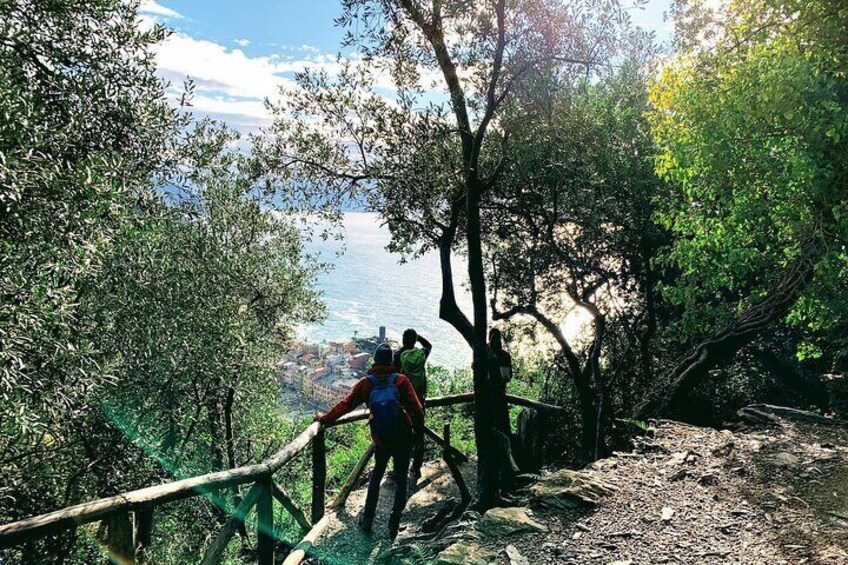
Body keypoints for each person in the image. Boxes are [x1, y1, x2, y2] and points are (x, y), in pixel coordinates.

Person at [315, 342, 423, 540]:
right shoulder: (401, 380)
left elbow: (346, 405)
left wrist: (324, 419)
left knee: (376, 477)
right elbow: (417, 408)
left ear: (375, 360)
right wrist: (416, 432)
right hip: (403, 437)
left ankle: (368, 520)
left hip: (381, 439)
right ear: (391, 360)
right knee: (401, 480)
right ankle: (394, 524)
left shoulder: (366, 383)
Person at [393, 329, 432, 484]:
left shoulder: (398, 356)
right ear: (414, 340)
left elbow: (394, 375)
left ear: (403, 340)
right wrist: (418, 338)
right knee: (419, 433)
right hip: (420, 400)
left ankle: (399, 468)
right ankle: (416, 467)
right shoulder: (422, 354)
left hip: (404, 401)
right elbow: (429, 345)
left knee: (402, 434)